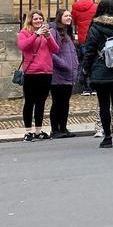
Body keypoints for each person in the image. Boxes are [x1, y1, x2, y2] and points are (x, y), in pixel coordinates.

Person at [81, 0, 113, 148]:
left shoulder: (95, 27)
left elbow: (89, 50)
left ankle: (108, 138)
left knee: (104, 105)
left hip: (101, 70)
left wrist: (86, 68)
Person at [16, 10, 58, 141]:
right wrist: (35, 34)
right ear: (30, 20)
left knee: (41, 102)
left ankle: (38, 130)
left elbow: (55, 49)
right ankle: (28, 131)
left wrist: (48, 37)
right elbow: (23, 46)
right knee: (29, 102)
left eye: (40, 19)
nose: (38, 21)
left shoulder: (47, 33)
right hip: (31, 73)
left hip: (46, 72)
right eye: (36, 19)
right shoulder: (24, 33)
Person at [48, 9, 78, 138]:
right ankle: (55, 129)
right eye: (66, 15)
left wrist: (75, 64)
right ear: (59, 17)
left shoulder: (68, 31)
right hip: (58, 73)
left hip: (69, 74)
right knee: (57, 102)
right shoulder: (53, 32)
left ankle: (63, 128)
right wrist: (63, 64)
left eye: (70, 15)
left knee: (65, 103)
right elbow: (51, 52)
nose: (69, 17)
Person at [71, 0, 99, 96]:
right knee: (94, 62)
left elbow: (73, 22)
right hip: (93, 37)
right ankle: (94, 86)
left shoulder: (75, 7)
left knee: (84, 62)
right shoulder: (94, 6)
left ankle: (86, 88)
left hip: (83, 38)